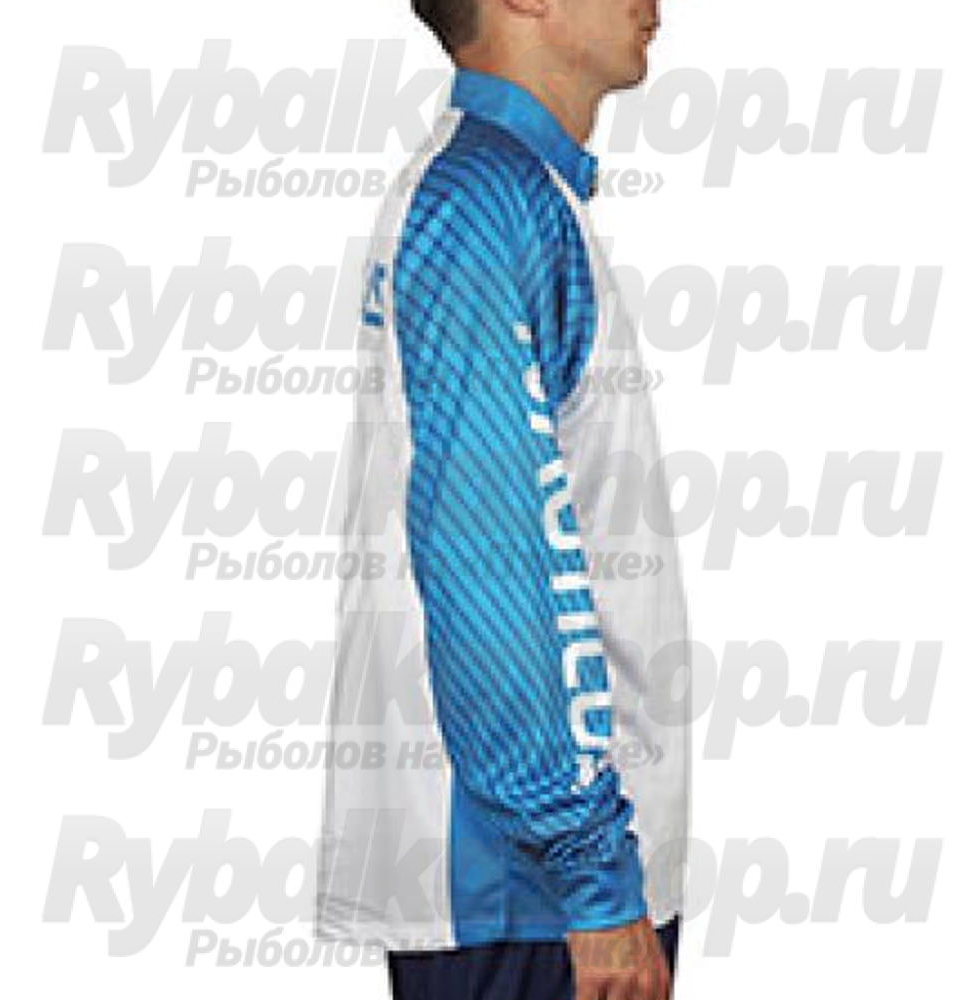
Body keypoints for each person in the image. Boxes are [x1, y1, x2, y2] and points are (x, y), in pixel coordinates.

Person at [315, 2, 692, 998]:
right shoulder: (487, 201)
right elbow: (492, 559)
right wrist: (592, 876)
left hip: (537, 882)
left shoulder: (512, 192)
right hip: (527, 889)